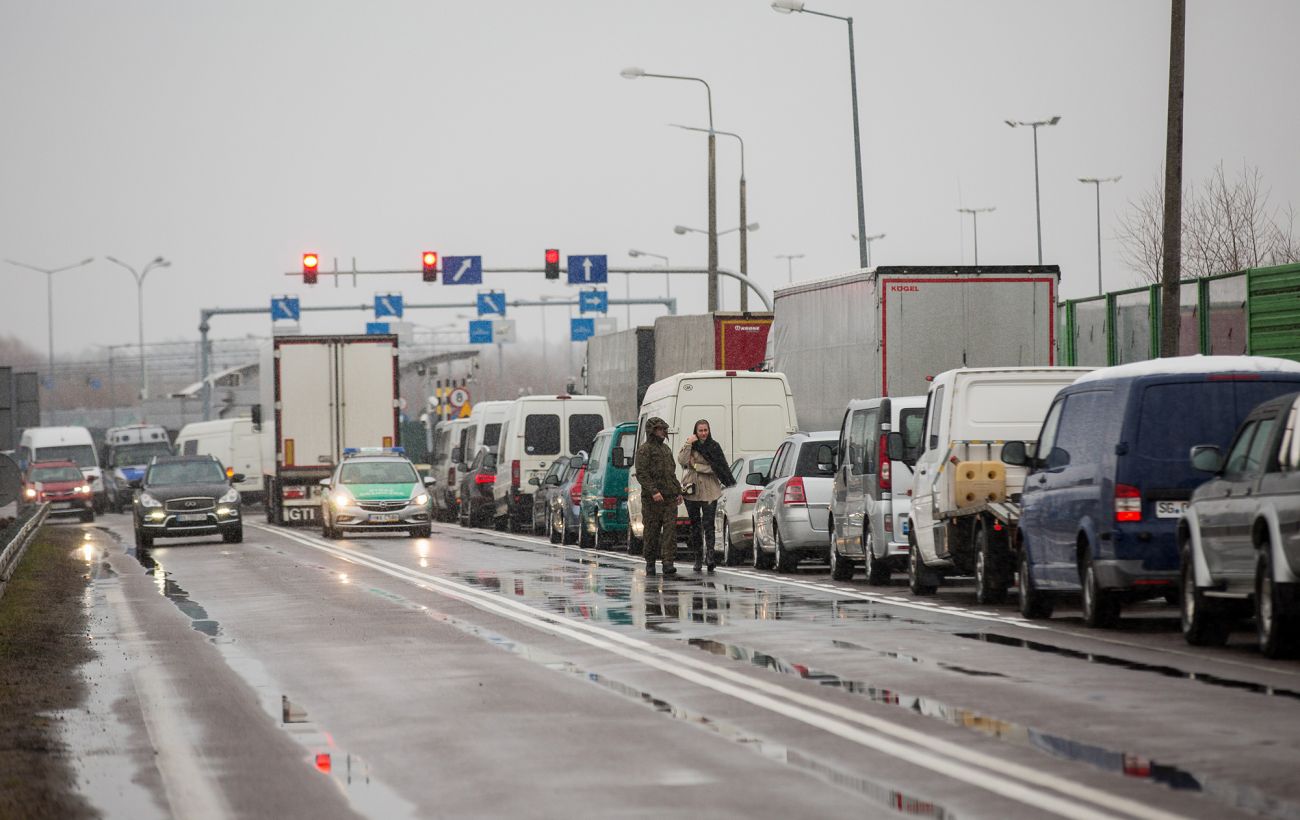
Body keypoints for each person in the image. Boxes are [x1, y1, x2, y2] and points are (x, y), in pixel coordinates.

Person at [678, 419, 736, 572]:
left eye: (705, 430)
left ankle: (710, 557)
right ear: (695, 432)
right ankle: (697, 557)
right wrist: (688, 444)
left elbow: (716, 467)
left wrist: (696, 465)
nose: (703, 433)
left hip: (710, 491)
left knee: (709, 524)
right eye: (700, 431)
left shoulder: (714, 447)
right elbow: (682, 461)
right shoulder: (691, 445)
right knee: (695, 526)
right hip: (692, 490)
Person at [635, 417, 682, 576]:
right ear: (652, 431)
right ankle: (650, 562)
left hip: (668, 498)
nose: (663, 432)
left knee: (670, 532)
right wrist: (653, 491)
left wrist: (678, 491)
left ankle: (668, 562)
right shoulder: (645, 450)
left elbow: (671, 473)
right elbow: (642, 474)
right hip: (651, 500)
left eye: (663, 429)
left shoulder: (666, 450)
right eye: (659, 429)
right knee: (652, 531)